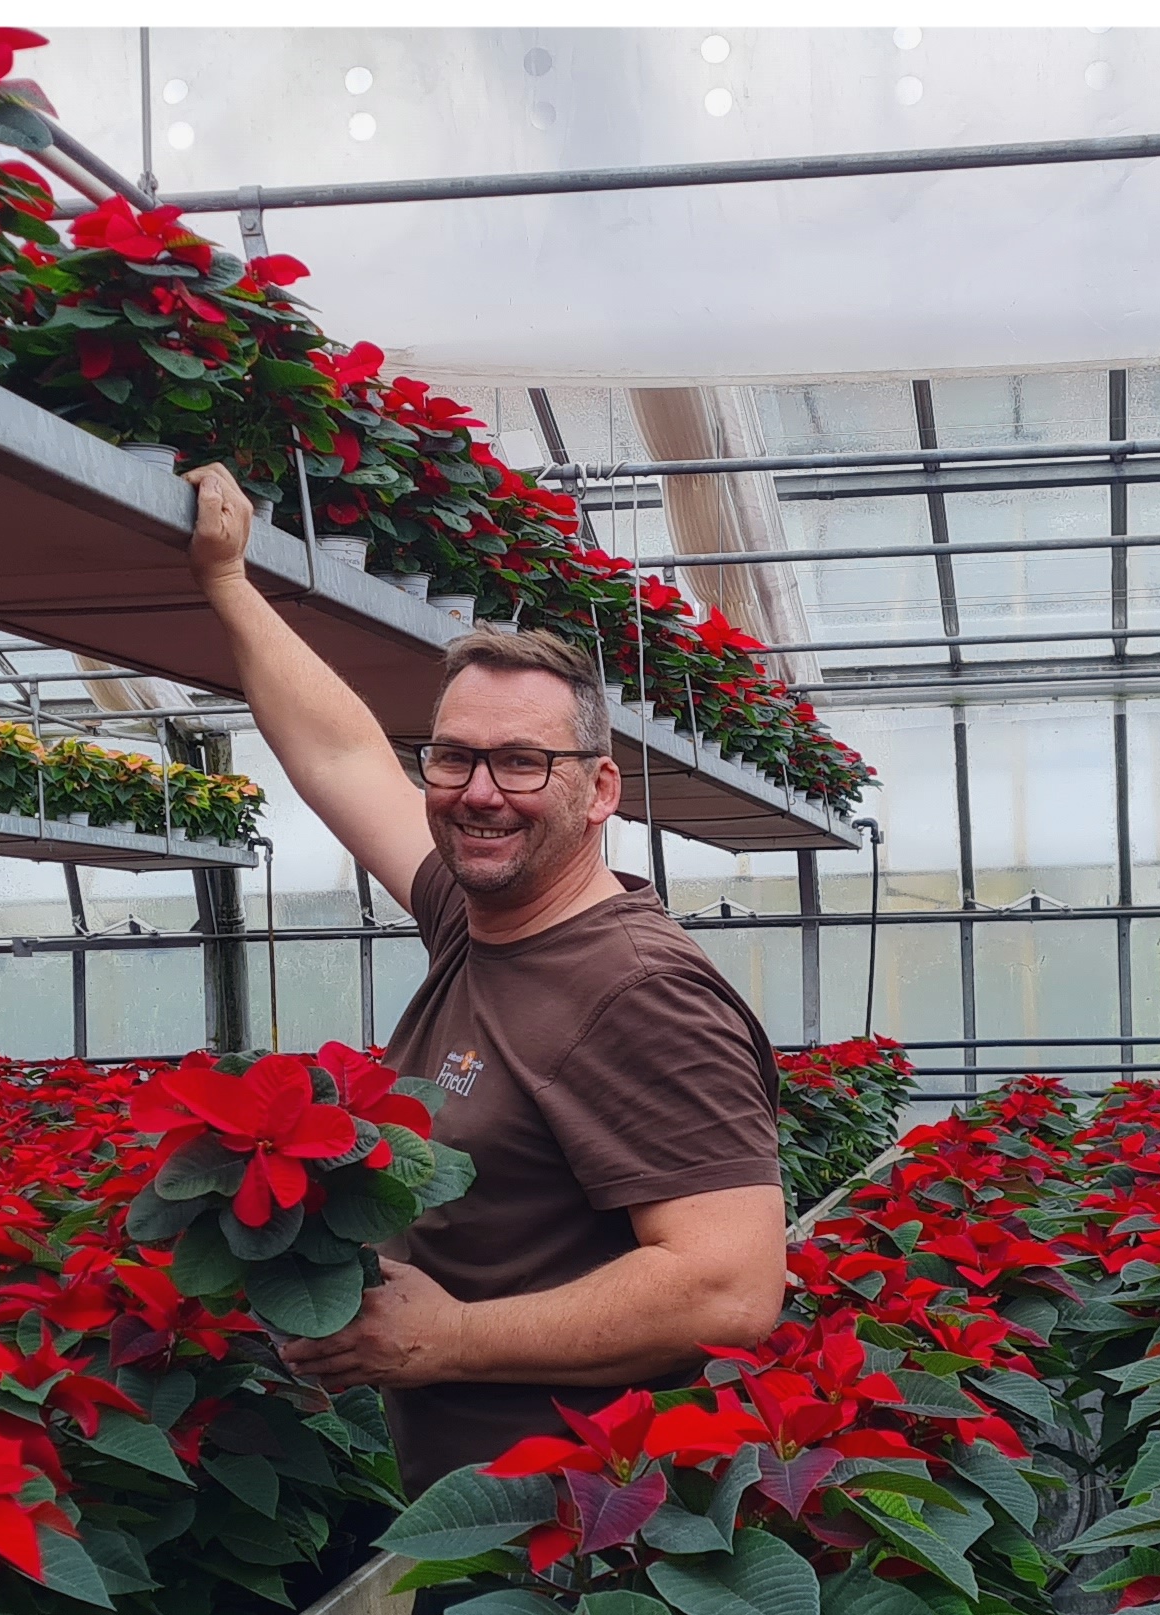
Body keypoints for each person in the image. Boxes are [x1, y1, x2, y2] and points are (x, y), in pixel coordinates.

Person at [180, 463, 788, 1492]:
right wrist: (228, 580)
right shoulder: (477, 917)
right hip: (479, 1509)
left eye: (521, 763)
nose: (479, 792)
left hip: (584, 1529)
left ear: (600, 788)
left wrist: (453, 1336)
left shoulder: (636, 990)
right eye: (453, 758)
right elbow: (343, 756)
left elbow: (727, 1290)